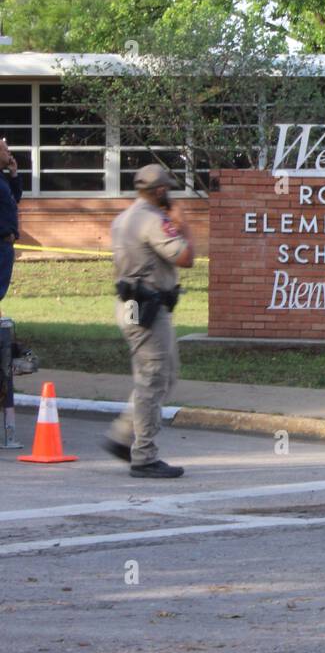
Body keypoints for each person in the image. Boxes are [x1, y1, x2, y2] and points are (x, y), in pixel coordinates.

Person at [104, 163, 194, 478]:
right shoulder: (154, 221)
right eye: (166, 188)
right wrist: (183, 226)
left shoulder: (123, 218)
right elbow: (185, 257)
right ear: (159, 191)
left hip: (132, 304)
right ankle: (143, 456)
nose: (168, 193)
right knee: (154, 379)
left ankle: (124, 436)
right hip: (150, 308)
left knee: (163, 377)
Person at [0, 136, 23, 312]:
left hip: (6, 244)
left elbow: (15, 197)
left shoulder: (2, 178)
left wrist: (14, 174)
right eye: (6, 150)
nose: (10, 153)